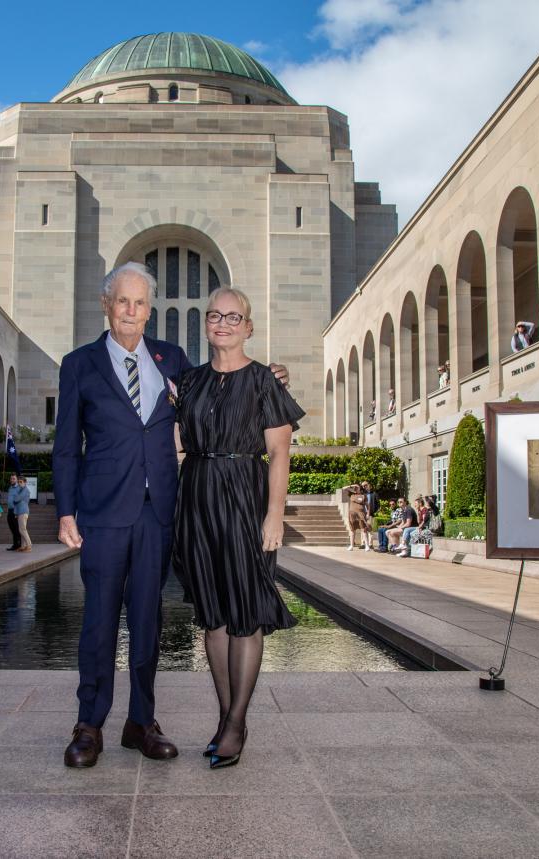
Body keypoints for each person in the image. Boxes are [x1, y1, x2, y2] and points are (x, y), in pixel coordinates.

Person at [53, 262, 288, 770]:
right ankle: (88, 724)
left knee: (147, 622)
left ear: (150, 309)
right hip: (104, 513)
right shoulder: (78, 364)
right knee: (98, 622)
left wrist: (272, 377)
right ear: (107, 305)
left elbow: (224, 386)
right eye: (123, 301)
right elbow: (67, 448)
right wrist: (66, 511)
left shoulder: (172, 360)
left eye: (140, 303)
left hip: (160, 512)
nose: (131, 312)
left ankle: (141, 721)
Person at [173, 287, 303, 769]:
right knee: (214, 616)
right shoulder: (188, 382)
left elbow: (280, 455)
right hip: (198, 496)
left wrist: (274, 515)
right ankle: (228, 715)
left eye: (234, 316)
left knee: (245, 609)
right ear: (205, 324)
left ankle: (235, 724)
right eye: (214, 315)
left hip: (246, 497)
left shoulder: (265, 381)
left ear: (248, 326)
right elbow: (175, 445)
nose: (223, 323)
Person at [343, 483, 369, 551]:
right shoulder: (351, 494)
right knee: (352, 530)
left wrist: (368, 513)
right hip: (352, 515)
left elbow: (367, 505)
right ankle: (351, 545)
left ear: (360, 488)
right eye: (355, 488)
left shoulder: (363, 495)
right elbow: (343, 488)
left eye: (357, 488)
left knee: (364, 529)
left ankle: (367, 545)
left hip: (361, 514)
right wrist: (352, 485)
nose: (355, 489)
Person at [10, 475, 32, 552]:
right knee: (21, 529)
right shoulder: (20, 490)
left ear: (25, 483)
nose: (19, 483)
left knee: (22, 529)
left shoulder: (25, 490)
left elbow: (16, 499)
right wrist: (16, 513)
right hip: (20, 512)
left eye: (21, 482)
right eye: (18, 482)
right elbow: (16, 502)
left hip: (23, 511)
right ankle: (23, 546)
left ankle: (29, 545)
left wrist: (15, 497)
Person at [5, 473, 22, 551]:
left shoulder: (19, 488)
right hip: (10, 510)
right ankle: (15, 545)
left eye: (13, 479)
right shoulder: (10, 488)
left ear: (17, 480)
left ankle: (19, 545)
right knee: (12, 528)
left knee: (16, 528)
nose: (12, 480)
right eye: (11, 478)